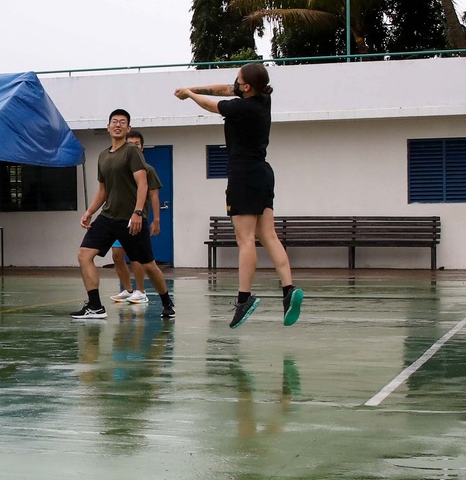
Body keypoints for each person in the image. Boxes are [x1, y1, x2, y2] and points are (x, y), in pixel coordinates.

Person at [174, 62, 304, 328]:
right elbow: (224, 89)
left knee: (244, 238)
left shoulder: (242, 108)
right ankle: (288, 289)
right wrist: (192, 87)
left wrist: (190, 96)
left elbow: (212, 105)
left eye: (239, 80)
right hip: (263, 172)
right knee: (268, 235)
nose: (235, 83)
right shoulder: (263, 98)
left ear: (247, 87)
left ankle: (244, 298)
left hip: (243, 173)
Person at [73, 109, 175, 320]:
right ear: (109, 127)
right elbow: (103, 191)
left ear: (128, 128)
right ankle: (95, 306)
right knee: (84, 254)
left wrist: (138, 212)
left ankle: (166, 301)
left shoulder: (132, 151)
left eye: (122, 122)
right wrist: (90, 211)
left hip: (131, 219)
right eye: (114, 121)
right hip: (108, 217)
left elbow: (143, 183)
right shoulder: (103, 156)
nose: (118, 125)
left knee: (148, 264)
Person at [109, 130, 163, 304]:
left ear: (142, 147)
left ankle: (141, 291)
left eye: (137, 144)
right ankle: (128, 289)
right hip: (118, 218)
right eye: (129, 143)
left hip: (138, 219)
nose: (133, 146)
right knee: (117, 255)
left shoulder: (148, 170)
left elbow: (154, 196)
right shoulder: (118, 167)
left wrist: (156, 220)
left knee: (137, 257)